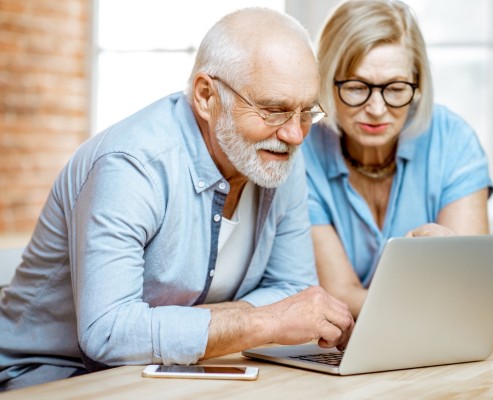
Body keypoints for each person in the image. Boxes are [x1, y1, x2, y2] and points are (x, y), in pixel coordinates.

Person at [0, 8, 354, 391]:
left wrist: (174, 325)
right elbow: (109, 333)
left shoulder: (279, 154)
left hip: (175, 372)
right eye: (273, 110)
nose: (295, 134)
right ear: (206, 96)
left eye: (306, 112)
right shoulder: (131, 164)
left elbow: (292, 289)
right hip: (52, 376)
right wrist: (262, 322)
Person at [302, 0, 493, 350]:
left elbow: (468, 285)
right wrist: (450, 309)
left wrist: (463, 300)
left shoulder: (453, 140)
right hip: (346, 346)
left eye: (395, 89)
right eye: (356, 87)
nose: (377, 109)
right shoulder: (304, 152)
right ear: (327, 82)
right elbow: (339, 294)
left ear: (418, 85)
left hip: (433, 347)